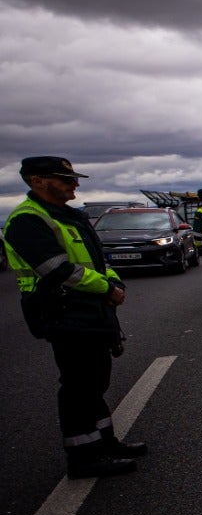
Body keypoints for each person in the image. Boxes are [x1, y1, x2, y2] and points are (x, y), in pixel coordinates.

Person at [3, 156, 146, 479]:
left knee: (96, 380)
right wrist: (106, 289)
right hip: (62, 310)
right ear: (37, 181)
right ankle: (83, 457)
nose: (74, 185)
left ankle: (104, 443)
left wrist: (113, 282)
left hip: (90, 310)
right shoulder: (28, 220)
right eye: (65, 179)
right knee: (78, 385)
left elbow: (96, 260)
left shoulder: (70, 217)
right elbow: (58, 269)